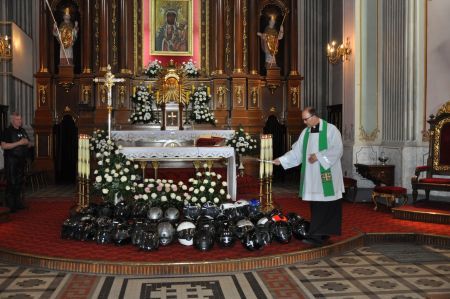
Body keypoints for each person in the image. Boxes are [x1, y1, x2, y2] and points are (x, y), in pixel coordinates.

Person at [273, 107, 344, 246]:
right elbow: (297, 152)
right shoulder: (305, 133)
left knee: (326, 204)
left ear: (314, 116)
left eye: (306, 119)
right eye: (303, 120)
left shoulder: (331, 130)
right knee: (316, 205)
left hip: (327, 175)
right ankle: (320, 233)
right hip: (312, 176)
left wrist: (318, 156)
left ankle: (318, 235)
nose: (304, 122)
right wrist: (281, 160)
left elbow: (337, 149)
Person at [1, 113, 31, 212]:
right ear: (12, 121)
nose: (20, 121)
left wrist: (27, 143)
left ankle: (18, 203)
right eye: (17, 119)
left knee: (19, 182)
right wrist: (19, 143)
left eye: (20, 119)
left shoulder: (22, 130)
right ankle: (10, 205)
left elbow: (29, 143)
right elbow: (4, 146)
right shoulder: (7, 131)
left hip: (21, 161)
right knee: (12, 182)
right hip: (11, 161)